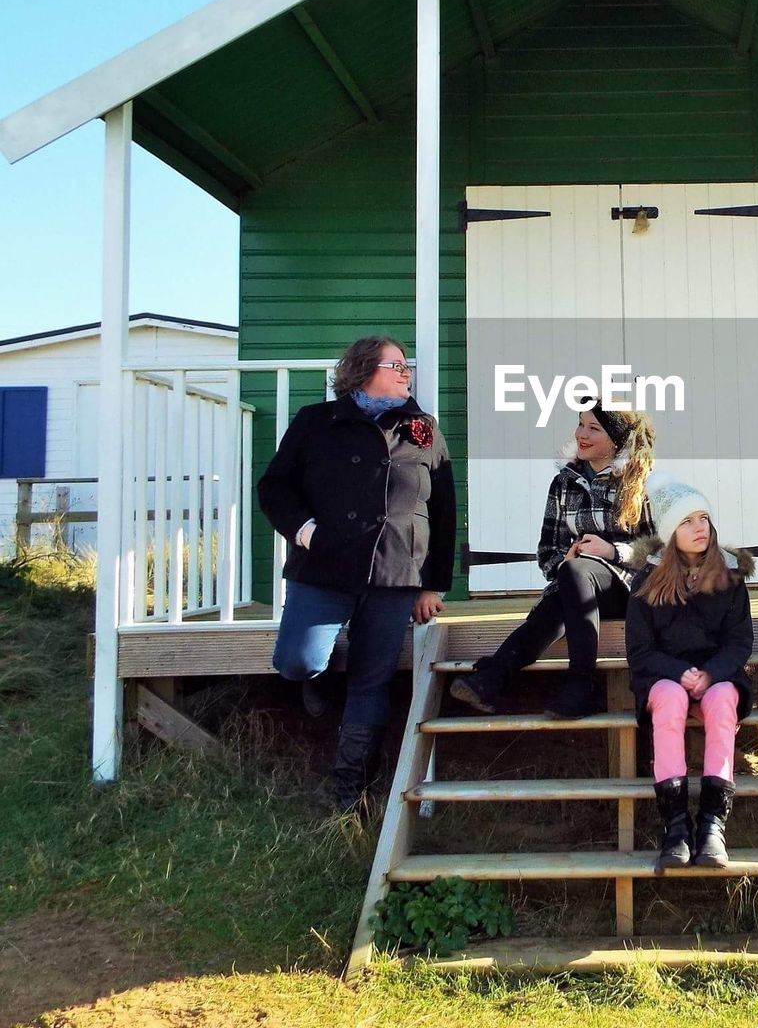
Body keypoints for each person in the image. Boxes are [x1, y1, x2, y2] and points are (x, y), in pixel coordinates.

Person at [258, 334, 456, 813]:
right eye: (396, 365)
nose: (406, 373)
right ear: (363, 369)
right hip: (324, 566)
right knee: (298, 660)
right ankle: (316, 680)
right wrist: (305, 532)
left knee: (372, 680)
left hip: (395, 570)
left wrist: (432, 583)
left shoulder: (422, 427)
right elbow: (275, 486)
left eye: (407, 366)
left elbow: (445, 508)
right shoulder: (316, 421)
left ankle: (351, 791)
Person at [450, 406, 657, 720]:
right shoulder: (564, 483)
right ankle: (494, 678)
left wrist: (612, 551)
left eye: (593, 428)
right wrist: (564, 562)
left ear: (615, 440)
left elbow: (662, 553)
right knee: (562, 594)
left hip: (631, 591)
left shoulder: (642, 483)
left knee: (573, 579)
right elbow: (547, 550)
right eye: (580, 425)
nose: (581, 434)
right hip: (578, 591)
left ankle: (579, 682)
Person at [626, 479, 754, 870]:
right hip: (664, 677)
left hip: (718, 676)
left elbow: (739, 642)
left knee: (721, 701)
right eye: (687, 522)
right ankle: (676, 828)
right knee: (669, 698)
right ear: (669, 533)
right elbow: (641, 651)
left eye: (704, 518)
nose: (700, 528)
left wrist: (712, 674)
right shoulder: (646, 581)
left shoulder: (729, 578)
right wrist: (681, 673)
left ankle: (713, 825)